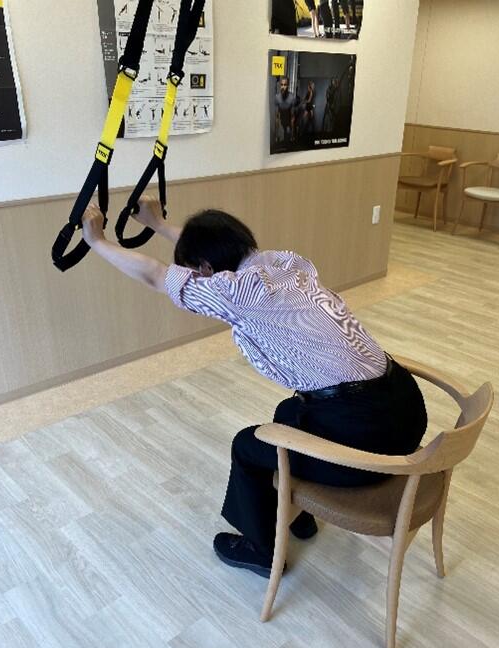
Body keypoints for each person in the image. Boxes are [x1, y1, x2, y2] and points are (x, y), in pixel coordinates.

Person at [81, 197, 428, 578]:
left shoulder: (236, 292)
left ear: (207, 269)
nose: (199, 280)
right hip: (404, 406)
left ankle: (260, 550)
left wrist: (98, 242)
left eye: (199, 272)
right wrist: (160, 225)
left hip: (372, 440)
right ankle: (298, 513)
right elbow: (208, 264)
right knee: (286, 414)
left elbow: (156, 276)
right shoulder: (279, 266)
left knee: (248, 446)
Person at [274, 76, 296, 146]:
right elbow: (277, 115)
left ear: (288, 86)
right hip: (282, 118)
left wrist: (292, 133)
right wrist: (276, 134)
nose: (283, 87)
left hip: (288, 118)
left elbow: (292, 115)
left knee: (288, 134)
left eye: (285, 85)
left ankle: (290, 137)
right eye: (281, 85)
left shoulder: (292, 97)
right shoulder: (277, 97)